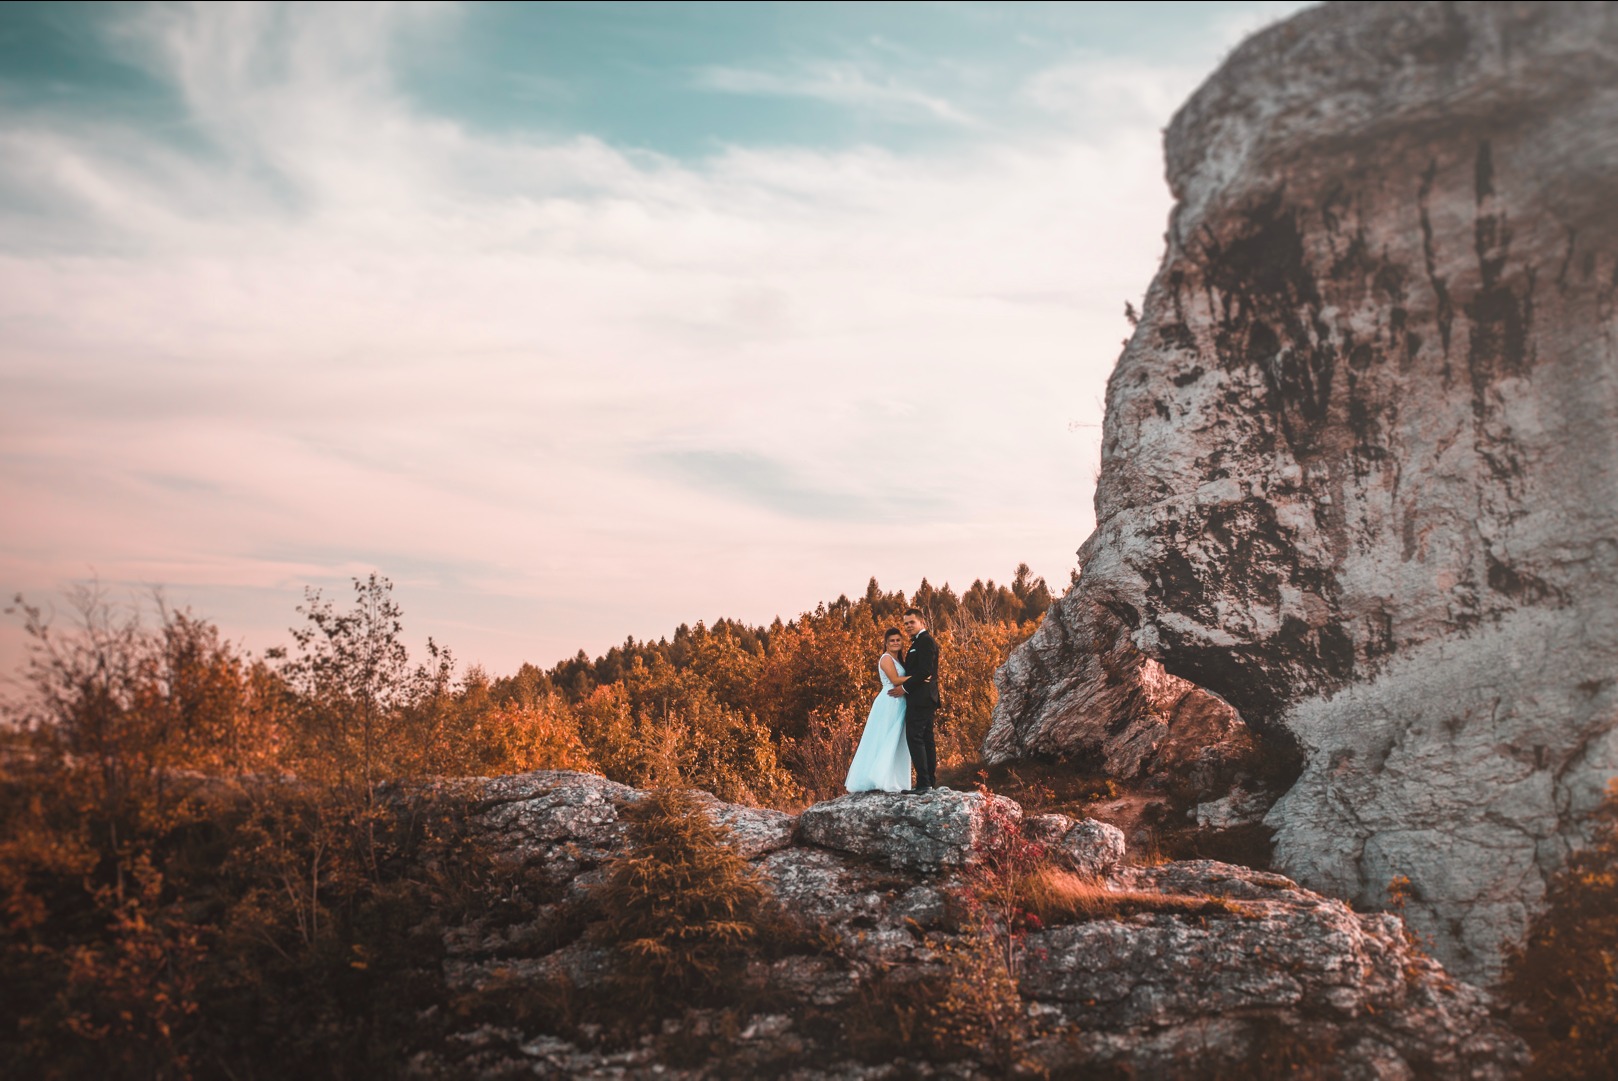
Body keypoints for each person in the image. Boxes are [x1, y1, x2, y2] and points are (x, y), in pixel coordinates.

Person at [843, 628, 913, 793]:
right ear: (886, 643)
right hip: (889, 702)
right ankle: (880, 779)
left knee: (898, 740)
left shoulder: (900, 659)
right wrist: (919, 677)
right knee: (885, 737)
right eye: (892, 640)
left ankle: (895, 780)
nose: (895, 643)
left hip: (900, 702)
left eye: (898, 640)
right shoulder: (886, 658)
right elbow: (895, 680)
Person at [891, 607, 942, 792]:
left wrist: (903, 688)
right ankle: (928, 783)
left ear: (922, 622)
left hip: (922, 698)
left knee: (916, 738)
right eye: (905, 624)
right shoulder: (917, 642)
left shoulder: (926, 641)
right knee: (926, 739)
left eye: (911, 622)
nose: (908, 626)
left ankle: (924, 783)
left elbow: (925, 671)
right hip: (923, 697)